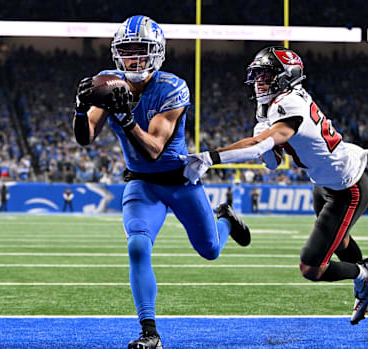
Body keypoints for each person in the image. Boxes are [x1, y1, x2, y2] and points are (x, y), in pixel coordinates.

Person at [72, 15, 250, 349]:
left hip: (180, 181)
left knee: (210, 250)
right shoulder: (108, 82)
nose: (135, 58)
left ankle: (225, 220)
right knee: (137, 246)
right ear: (117, 53)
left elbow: (154, 148)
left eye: (142, 50)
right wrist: (81, 109)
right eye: (128, 50)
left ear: (157, 52)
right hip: (142, 183)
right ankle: (150, 332)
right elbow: (86, 137)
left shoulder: (172, 87)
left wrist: (125, 119)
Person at [180, 46, 368, 325]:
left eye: (265, 76)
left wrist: (210, 158)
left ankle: (363, 276)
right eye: (256, 76)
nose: (259, 83)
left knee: (311, 268)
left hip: (347, 188)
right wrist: (266, 136)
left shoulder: (289, 103)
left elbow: (260, 148)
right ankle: (364, 278)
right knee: (338, 240)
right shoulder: (278, 102)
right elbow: (272, 160)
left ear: (285, 76)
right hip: (325, 183)